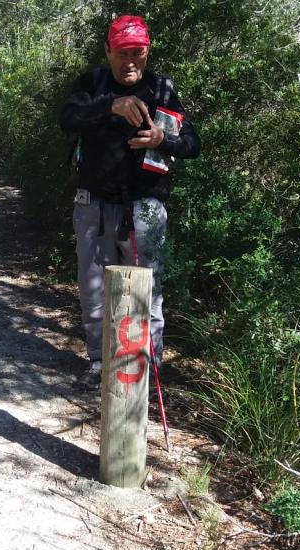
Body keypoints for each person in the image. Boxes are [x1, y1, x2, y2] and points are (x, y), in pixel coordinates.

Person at [58, 15, 201, 389]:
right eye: (123, 52)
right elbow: (67, 119)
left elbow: (192, 144)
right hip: (93, 206)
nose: (130, 61)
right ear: (109, 51)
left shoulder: (162, 90)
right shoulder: (92, 84)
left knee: (148, 296)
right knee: (93, 291)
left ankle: (145, 369)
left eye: (137, 52)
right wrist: (111, 106)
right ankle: (99, 364)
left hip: (146, 209)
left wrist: (161, 140)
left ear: (147, 51)